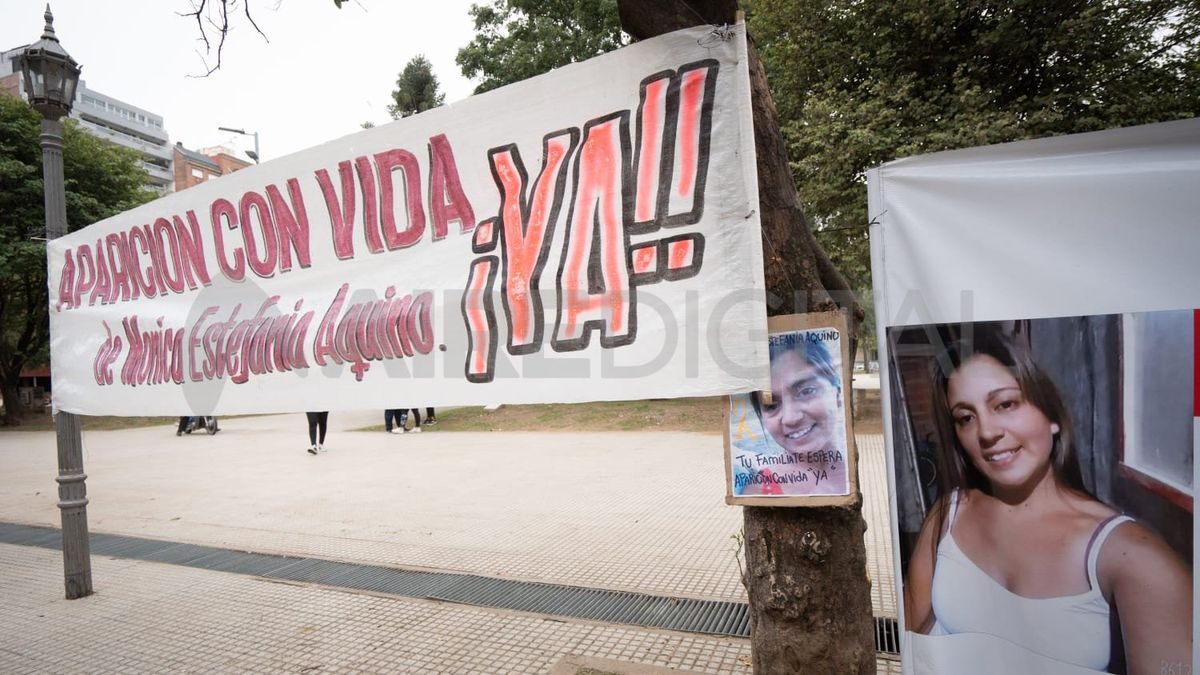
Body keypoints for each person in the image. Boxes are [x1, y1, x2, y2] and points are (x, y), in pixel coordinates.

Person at [905, 330, 1192, 673]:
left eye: (1005, 404)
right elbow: (912, 639)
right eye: (966, 417)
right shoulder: (948, 516)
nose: (986, 432)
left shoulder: (1134, 559)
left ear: (1051, 415)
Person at [731, 330, 848, 496]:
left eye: (806, 391)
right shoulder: (757, 491)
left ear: (837, 392)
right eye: (771, 405)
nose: (791, 418)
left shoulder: (867, 473)